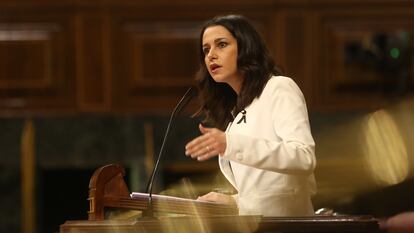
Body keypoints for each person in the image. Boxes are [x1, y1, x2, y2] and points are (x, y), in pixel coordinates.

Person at [184, 14, 316, 216]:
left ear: (246, 47)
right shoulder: (236, 112)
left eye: (221, 44)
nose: (211, 55)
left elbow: (303, 158)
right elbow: (269, 190)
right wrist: (232, 201)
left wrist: (231, 144)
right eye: (206, 49)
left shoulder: (279, 88)